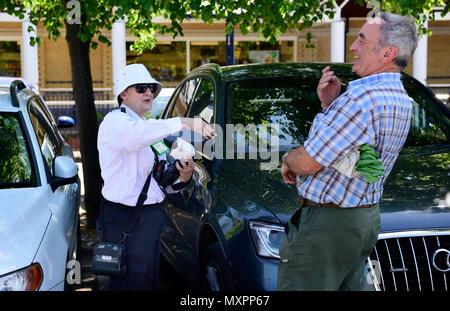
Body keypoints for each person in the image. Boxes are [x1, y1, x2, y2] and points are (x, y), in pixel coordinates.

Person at [277, 12, 418, 291]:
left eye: (362, 41)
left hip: (327, 227)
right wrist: (330, 106)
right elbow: (352, 147)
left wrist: (287, 158)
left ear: (388, 53)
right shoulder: (402, 99)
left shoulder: (361, 99)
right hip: (363, 220)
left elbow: (306, 162)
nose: (353, 47)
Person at [97, 63, 215, 290]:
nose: (149, 93)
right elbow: (134, 138)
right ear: (123, 94)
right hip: (126, 220)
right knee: (131, 283)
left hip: (147, 220)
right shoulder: (116, 122)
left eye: (151, 88)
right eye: (141, 88)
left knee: (146, 280)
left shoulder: (145, 128)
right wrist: (184, 121)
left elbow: (158, 181)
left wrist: (183, 176)